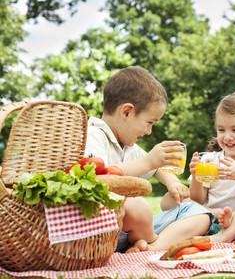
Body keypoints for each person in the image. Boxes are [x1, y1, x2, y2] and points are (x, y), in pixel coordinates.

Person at [85, 66, 212, 252]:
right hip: (102, 231)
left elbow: (157, 169)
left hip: (131, 232)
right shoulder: (93, 135)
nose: (149, 131)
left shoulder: (127, 146)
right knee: (138, 207)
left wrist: (173, 182)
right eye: (149, 123)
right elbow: (97, 176)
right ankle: (151, 243)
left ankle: (148, 247)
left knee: (200, 214)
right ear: (127, 112)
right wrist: (148, 162)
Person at [164, 92, 235, 242]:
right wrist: (196, 177)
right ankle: (209, 223)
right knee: (169, 199)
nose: (227, 137)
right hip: (210, 219)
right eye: (221, 130)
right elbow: (198, 199)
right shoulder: (209, 159)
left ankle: (226, 233)